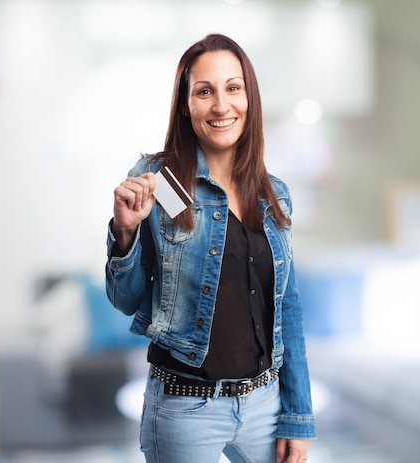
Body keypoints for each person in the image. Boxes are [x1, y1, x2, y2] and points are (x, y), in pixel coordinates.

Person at [105, 34, 316, 463]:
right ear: (187, 104)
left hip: (265, 407)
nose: (221, 106)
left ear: (249, 98)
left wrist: (298, 413)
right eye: (205, 91)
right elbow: (126, 300)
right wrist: (124, 234)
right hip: (186, 409)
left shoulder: (273, 194)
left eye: (232, 88)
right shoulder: (164, 183)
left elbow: (288, 308)